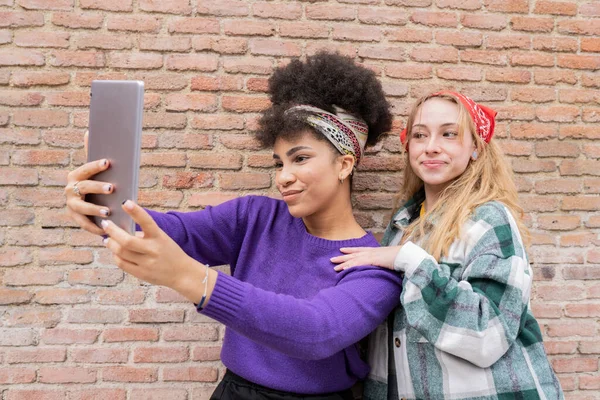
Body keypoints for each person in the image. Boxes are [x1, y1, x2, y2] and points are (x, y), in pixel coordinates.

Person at [64, 52, 402, 399]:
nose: (284, 177)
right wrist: (104, 202)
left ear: (345, 165)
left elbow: (315, 331)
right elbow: (171, 231)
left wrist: (188, 276)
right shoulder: (254, 218)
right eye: (278, 163)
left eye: (300, 158)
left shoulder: (375, 265)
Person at [331, 91, 564, 400]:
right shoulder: (402, 225)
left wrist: (409, 260)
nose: (431, 147)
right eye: (420, 135)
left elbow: (487, 333)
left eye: (449, 134)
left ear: (475, 149)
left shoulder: (487, 219)